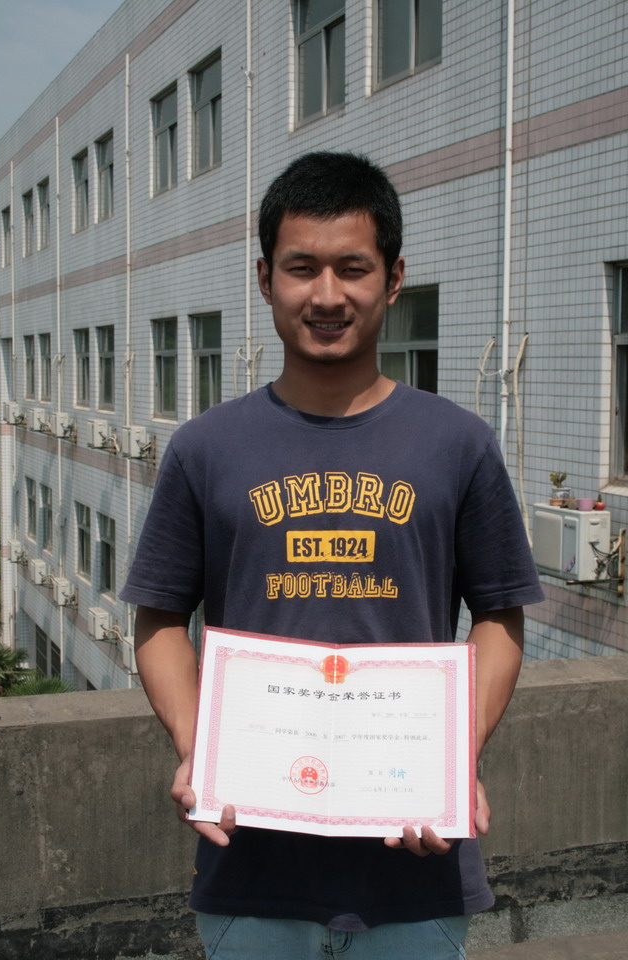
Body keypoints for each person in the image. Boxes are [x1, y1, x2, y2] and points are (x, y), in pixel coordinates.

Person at [120, 151, 543, 960]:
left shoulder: (458, 444)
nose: (326, 295)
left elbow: (499, 614)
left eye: (352, 268)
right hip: (251, 869)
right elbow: (160, 616)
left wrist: (454, 756)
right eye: (300, 268)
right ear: (264, 278)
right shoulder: (206, 448)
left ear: (393, 278)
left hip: (415, 871)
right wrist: (199, 745)